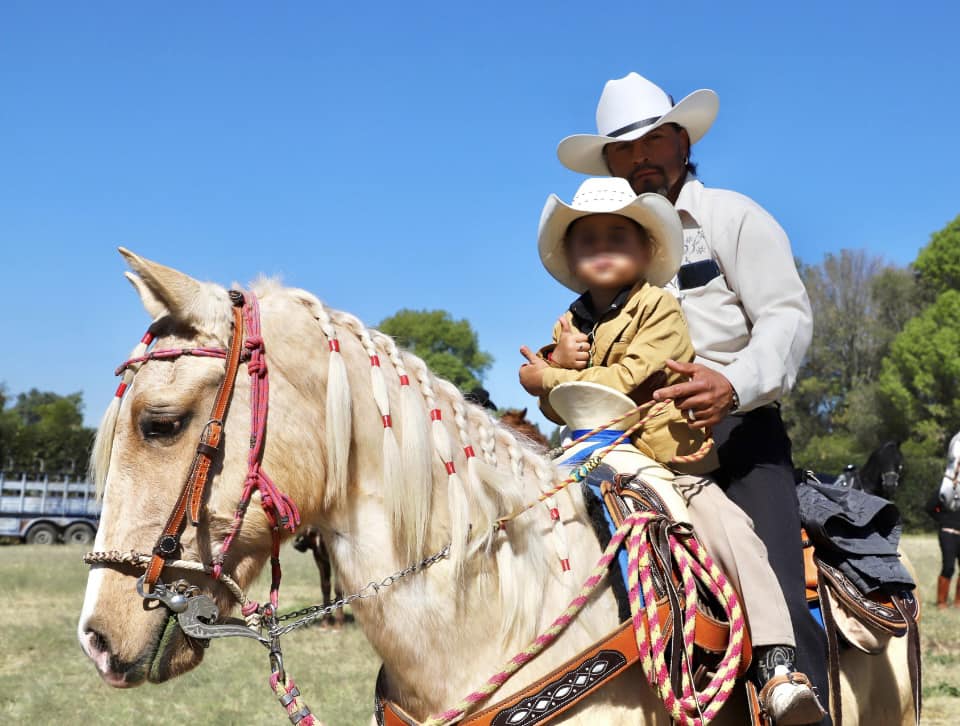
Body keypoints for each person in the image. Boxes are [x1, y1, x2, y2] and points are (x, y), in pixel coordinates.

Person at [554, 72, 828, 723]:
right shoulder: (610, 243)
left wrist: (733, 383)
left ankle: (787, 687)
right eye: (625, 148)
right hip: (623, 446)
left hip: (737, 437)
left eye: (654, 141)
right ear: (610, 163)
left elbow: (787, 316)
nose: (642, 156)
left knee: (777, 582)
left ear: (682, 142)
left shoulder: (733, 215)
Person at [926, 488, 960, 608]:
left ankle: (958, 602)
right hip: (948, 533)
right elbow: (929, 507)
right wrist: (944, 520)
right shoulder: (946, 490)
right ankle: (942, 602)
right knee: (948, 567)